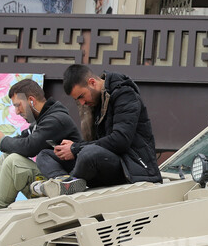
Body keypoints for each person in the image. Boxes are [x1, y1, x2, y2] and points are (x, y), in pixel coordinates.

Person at [32, 64, 161, 197]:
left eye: (82, 96)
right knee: (45, 155)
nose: (82, 103)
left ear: (92, 82)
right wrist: (72, 148)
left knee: (88, 154)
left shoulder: (125, 94)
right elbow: (97, 143)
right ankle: (62, 183)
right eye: (77, 100)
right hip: (103, 162)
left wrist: (75, 148)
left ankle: (69, 183)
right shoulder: (97, 101)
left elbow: (120, 141)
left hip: (130, 167)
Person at [0, 79, 81, 210]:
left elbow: (30, 147)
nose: (17, 111)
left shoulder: (56, 120)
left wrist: (1, 140)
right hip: (49, 180)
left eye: (18, 105)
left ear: (31, 100)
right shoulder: (40, 121)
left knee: (13, 162)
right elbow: (20, 142)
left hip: (65, 183)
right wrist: (0, 139)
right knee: (6, 156)